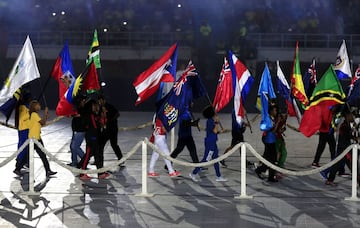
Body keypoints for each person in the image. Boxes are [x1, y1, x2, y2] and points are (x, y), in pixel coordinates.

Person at [14, 100, 57, 177]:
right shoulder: (34, 115)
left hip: (35, 138)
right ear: (34, 107)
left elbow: (41, 123)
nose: (39, 106)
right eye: (38, 105)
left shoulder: (33, 114)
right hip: (35, 139)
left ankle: (48, 170)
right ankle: (47, 171)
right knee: (40, 155)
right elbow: (42, 122)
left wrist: (46, 116)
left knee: (35, 155)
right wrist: (45, 114)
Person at [189, 106, 227, 182]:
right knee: (206, 160)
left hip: (213, 142)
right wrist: (217, 122)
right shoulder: (210, 121)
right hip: (210, 143)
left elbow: (212, 131)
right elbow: (215, 131)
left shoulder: (211, 120)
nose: (216, 111)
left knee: (216, 159)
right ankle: (193, 173)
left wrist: (221, 131)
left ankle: (218, 176)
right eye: (214, 110)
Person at [323, 107, 359, 186]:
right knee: (353, 165)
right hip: (344, 149)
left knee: (339, 165)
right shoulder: (343, 125)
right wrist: (355, 137)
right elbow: (346, 135)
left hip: (344, 148)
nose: (352, 117)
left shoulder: (346, 124)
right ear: (347, 115)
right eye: (351, 115)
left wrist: (354, 128)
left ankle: (330, 180)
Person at [78, 99, 110, 180]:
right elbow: (95, 126)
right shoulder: (89, 115)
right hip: (91, 137)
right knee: (88, 154)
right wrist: (100, 120)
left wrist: (103, 116)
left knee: (97, 155)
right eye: (94, 105)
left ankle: (100, 173)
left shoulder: (94, 114)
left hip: (95, 136)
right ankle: (82, 173)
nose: (96, 107)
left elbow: (102, 124)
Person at [166, 105, 200, 170]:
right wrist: (193, 124)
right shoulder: (184, 112)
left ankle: (197, 165)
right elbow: (184, 124)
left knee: (192, 150)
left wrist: (193, 123)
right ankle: (168, 165)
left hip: (187, 135)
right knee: (179, 150)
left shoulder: (187, 112)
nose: (192, 104)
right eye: (191, 103)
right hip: (183, 136)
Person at [255, 104, 279, 182]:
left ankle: (269, 175)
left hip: (272, 140)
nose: (276, 112)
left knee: (271, 159)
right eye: (275, 110)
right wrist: (278, 122)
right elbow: (272, 130)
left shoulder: (272, 118)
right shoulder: (268, 119)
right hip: (269, 141)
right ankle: (261, 170)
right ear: (271, 111)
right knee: (271, 159)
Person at [98, 96, 124, 166]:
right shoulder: (99, 108)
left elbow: (117, 114)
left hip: (112, 129)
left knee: (114, 145)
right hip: (105, 130)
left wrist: (110, 120)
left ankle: (121, 159)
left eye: (101, 101)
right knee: (100, 144)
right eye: (99, 101)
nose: (100, 102)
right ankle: (98, 160)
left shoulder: (110, 106)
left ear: (104, 100)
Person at [14, 92, 31, 172]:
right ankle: (19, 164)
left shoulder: (21, 106)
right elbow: (26, 119)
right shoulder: (23, 108)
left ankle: (24, 163)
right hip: (24, 129)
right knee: (23, 146)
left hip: (23, 128)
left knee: (24, 146)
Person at [68, 95, 86, 167]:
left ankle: (85, 160)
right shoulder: (78, 108)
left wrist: (73, 114)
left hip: (80, 130)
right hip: (76, 130)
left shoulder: (84, 109)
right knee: (72, 146)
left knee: (75, 146)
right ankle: (74, 162)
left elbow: (78, 115)